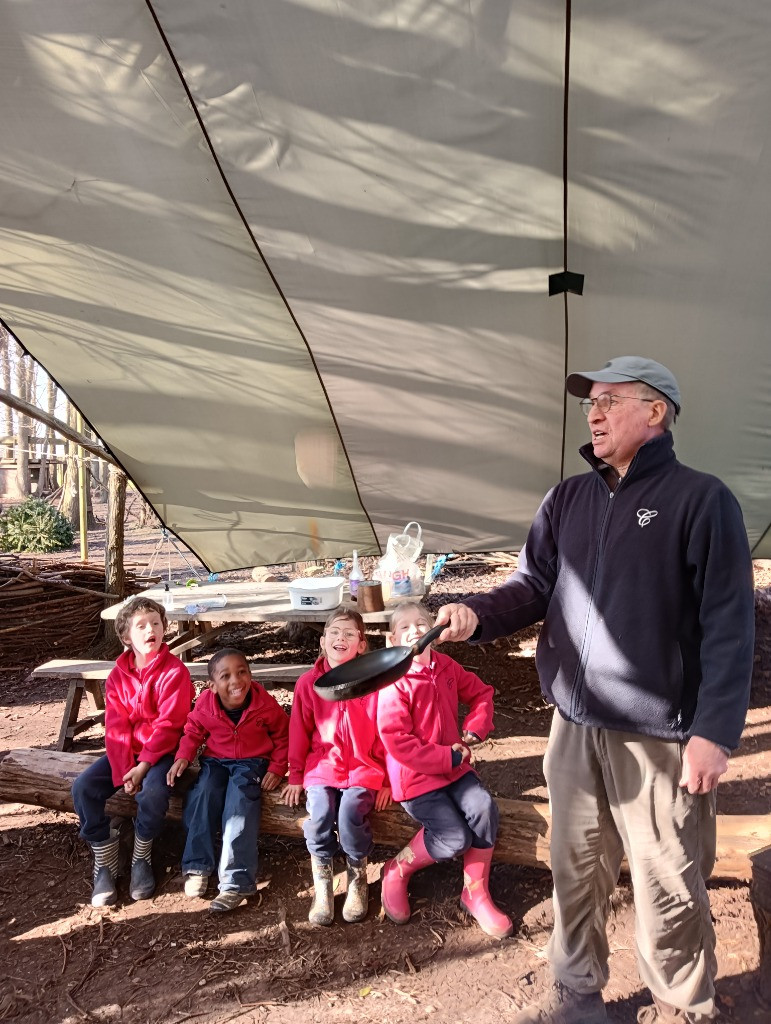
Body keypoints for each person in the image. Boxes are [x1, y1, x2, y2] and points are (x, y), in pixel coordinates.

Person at [434, 357, 755, 1023]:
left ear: (654, 412)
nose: (594, 412)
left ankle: (680, 1004)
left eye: (610, 400)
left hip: (661, 735)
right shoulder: (567, 500)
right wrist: (475, 614)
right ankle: (578, 992)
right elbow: (532, 586)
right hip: (574, 727)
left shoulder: (701, 499)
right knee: (575, 868)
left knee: (667, 881)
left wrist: (713, 732)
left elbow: (729, 623)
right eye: (589, 403)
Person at [376, 602, 513, 939]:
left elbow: (481, 693)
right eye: (405, 628)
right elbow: (397, 740)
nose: (416, 630)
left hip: (455, 769)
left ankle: (475, 891)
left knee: (483, 809)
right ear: (393, 641)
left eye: (422, 623)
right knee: (453, 837)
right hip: (417, 779)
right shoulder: (394, 682)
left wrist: (476, 728)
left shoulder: (445, 666)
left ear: (436, 632)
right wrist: (445, 757)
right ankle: (396, 869)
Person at [72, 596, 195, 907]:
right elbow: (115, 727)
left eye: (155, 623)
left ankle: (142, 853)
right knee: (84, 788)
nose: (150, 630)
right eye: (140, 626)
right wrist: (124, 769)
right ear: (126, 637)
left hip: (162, 754)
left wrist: (143, 768)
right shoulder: (117, 676)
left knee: (152, 793)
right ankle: (105, 857)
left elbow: (169, 725)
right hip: (125, 754)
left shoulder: (175, 672)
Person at [281, 608, 391, 926]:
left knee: (350, 813)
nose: (340, 638)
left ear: (361, 645)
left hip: (363, 767)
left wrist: (387, 778)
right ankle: (324, 885)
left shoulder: (374, 682)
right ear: (322, 640)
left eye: (349, 633)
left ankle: (357, 879)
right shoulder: (308, 684)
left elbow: (387, 731)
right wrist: (297, 775)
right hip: (322, 766)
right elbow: (299, 732)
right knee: (318, 815)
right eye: (334, 632)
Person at [167, 647, 289, 912]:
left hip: (251, 763)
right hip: (216, 761)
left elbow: (283, 735)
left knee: (239, 805)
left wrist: (278, 768)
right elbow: (193, 731)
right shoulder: (205, 705)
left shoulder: (264, 704)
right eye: (226, 676)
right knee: (202, 794)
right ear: (211, 685)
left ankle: (236, 882)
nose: (236, 681)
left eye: (242, 672)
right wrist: (184, 757)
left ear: (250, 674)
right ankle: (197, 865)